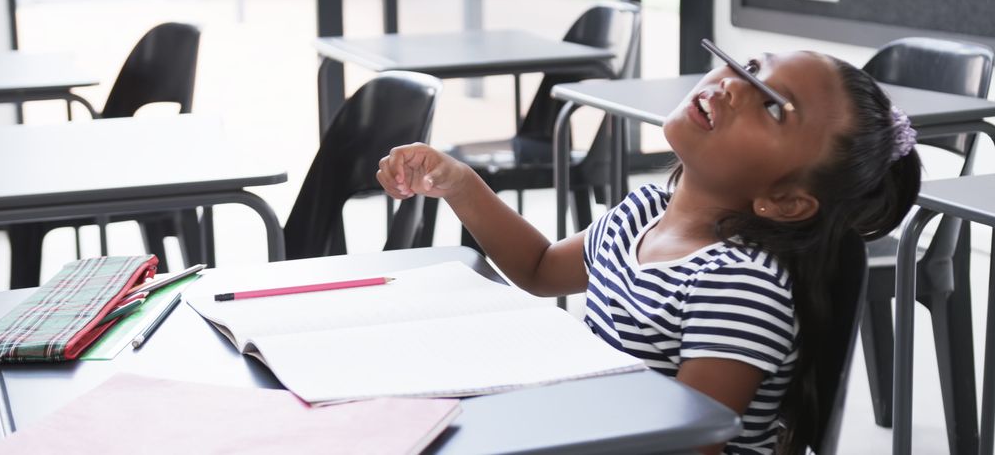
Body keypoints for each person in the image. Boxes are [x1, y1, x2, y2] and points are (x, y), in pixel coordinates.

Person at [376, 48, 921, 455]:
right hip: (603, 431)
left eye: (774, 109)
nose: (733, 85)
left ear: (784, 201)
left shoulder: (740, 283)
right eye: (750, 65)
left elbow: (692, 441)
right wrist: (460, 184)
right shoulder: (645, 211)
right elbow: (541, 270)